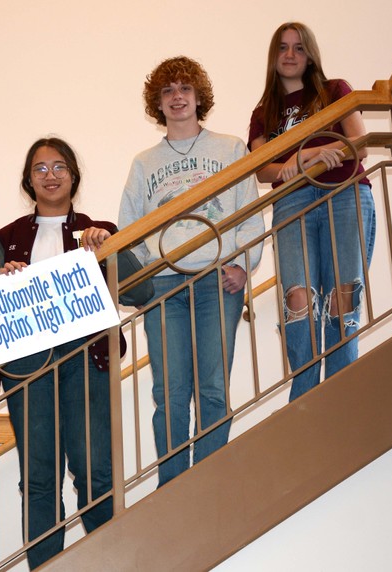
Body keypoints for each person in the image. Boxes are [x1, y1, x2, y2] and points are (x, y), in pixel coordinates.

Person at [0, 137, 151, 569]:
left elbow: (142, 290)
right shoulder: (9, 237)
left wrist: (108, 248)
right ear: (28, 180)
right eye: (40, 168)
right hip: (27, 368)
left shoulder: (97, 229)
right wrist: (3, 281)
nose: (50, 175)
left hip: (87, 363)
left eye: (59, 167)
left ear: (74, 176)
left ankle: (112, 562)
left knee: (95, 472)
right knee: (38, 479)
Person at [119, 56, 264, 487]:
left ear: (199, 96)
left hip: (217, 279)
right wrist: (143, 282)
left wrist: (243, 264)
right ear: (157, 103)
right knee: (169, 394)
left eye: (184, 88)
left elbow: (250, 214)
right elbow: (128, 231)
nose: (177, 97)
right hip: (163, 286)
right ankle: (174, 487)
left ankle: (209, 482)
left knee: (213, 387)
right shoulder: (144, 162)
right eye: (167, 91)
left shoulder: (231, 148)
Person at [248, 22, 375, 401]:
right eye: (283, 48)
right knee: (298, 299)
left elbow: (361, 144)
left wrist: (304, 157)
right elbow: (261, 168)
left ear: (310, 54)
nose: (290, 55)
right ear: (273, 57)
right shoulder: (264, 111)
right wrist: (308, 154)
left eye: (299, 48)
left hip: (345, 193)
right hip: (292, 203)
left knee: (342, 296)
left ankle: (339, 395)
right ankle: (305, 394)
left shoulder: (335, 90)